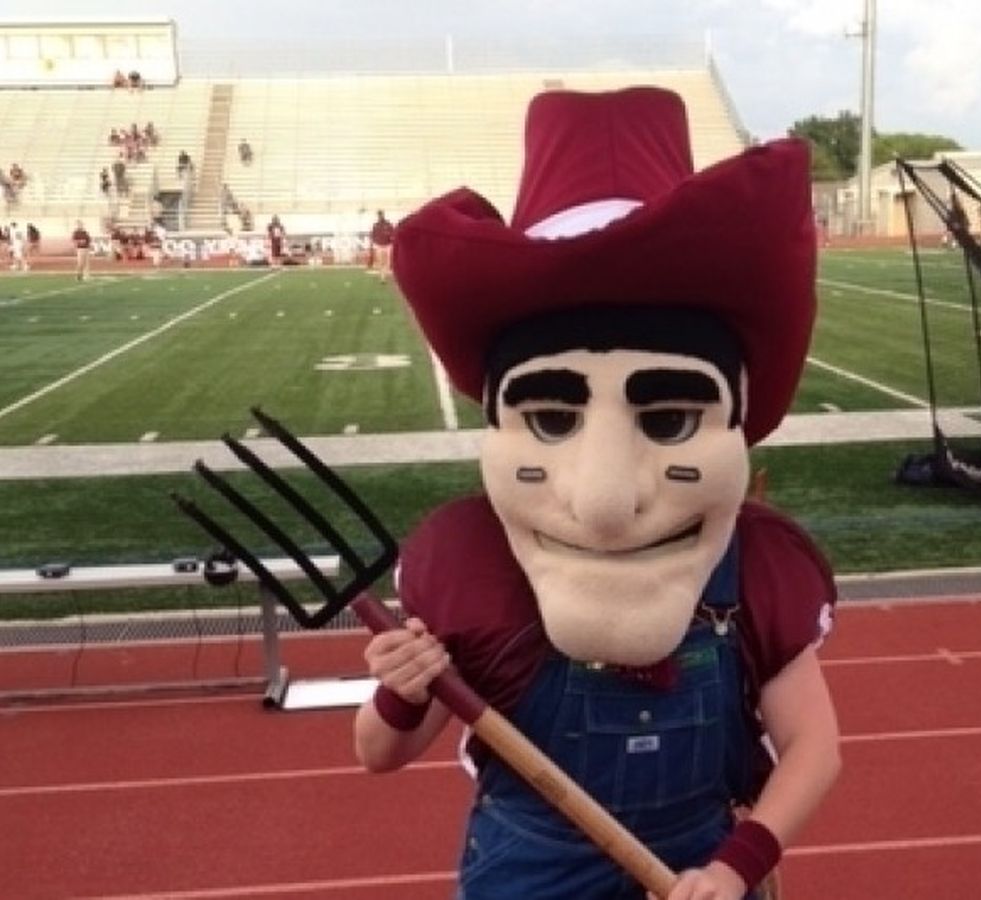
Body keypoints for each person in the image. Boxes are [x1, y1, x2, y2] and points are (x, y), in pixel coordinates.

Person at [355, 87, 841, 900]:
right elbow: (378, 752)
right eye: (551, 419)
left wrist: (737, 866)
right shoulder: (473, 569)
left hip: (699, 867)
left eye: (671, 418)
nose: (605, 502)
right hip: (528, 874)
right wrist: (403, 691)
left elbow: (814, 746)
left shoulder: (753, 569)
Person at [368, 209, 394, 282]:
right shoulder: (375, 225)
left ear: (383, 215)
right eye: (379, 215)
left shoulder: (388, 224)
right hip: (379, 245)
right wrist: (373, 244)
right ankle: (382, 277)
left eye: (381, 214)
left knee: (388, 262)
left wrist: (391, 238)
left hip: (388, 245)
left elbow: (393, 234)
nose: (380, 216)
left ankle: (384, 275)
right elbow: (372, 236)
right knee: (381, 262)